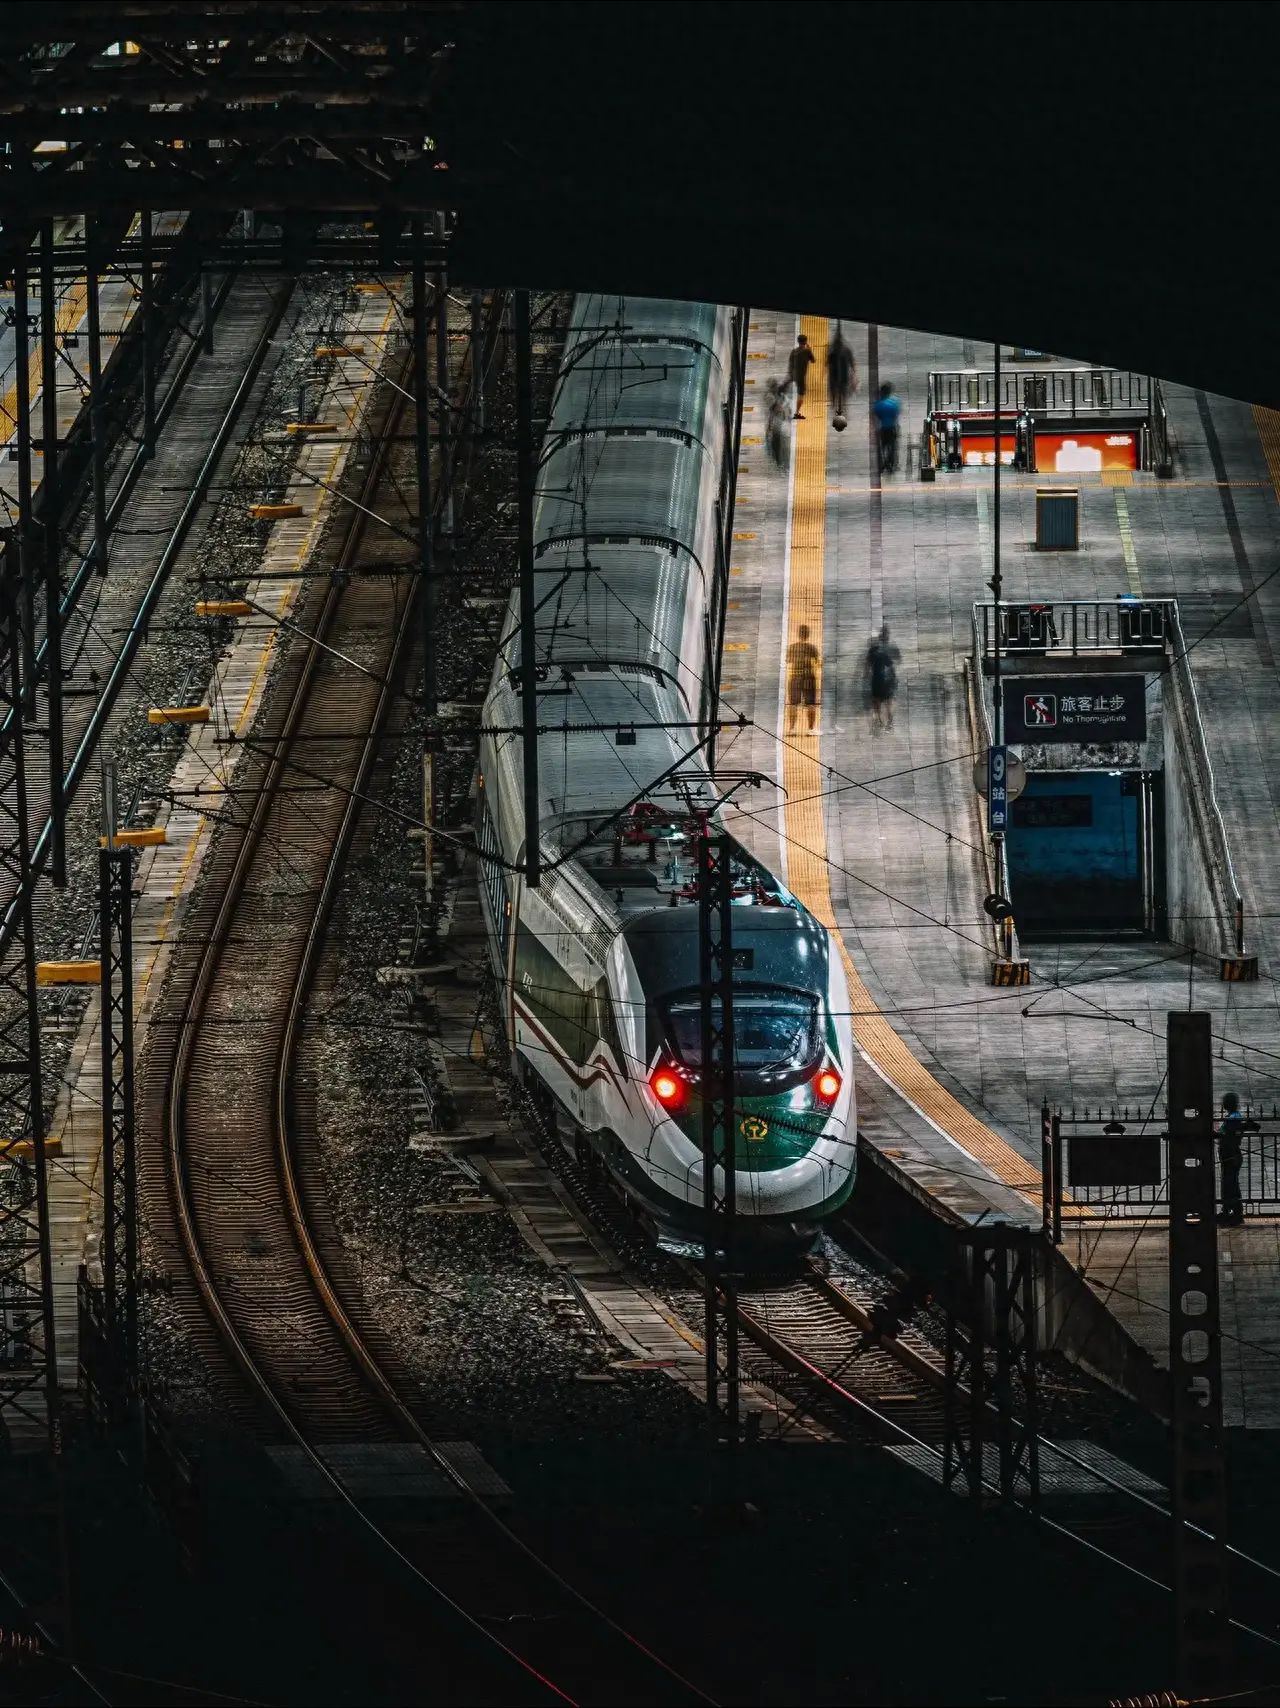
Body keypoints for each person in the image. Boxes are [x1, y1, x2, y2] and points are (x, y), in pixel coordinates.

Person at [865, 623, 901, 731]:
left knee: (879, 702)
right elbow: (896, 662)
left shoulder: (875, 649)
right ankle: (887, 722)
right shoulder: (888, 648)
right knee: (886, 702)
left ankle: (881, 722)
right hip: (885, 680)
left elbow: (867, 665)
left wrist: (866, 675)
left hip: (879, 679)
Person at [1217, 1091, 1245, 1226]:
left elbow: (1228, 1136)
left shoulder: (1233, 1118)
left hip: (1231, 1156)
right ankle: (1230, 1210)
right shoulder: (1233, 1116)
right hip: (1230, 1156)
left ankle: (1233, 1212)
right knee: (1230, 1184)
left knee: (1230, 1184)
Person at [785, 624, 820, 733]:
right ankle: (811, 729)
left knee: (793, 704)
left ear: (798, 634)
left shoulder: (792, 647)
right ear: (808, 635)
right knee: (811, 704)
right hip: (809, 678)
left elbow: (787, 661)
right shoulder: (812, 648)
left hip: (795, 677)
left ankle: (792, 729)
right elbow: (819, 663)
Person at [827, 323, 857, 421]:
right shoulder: (844, 350)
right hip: (839, 377)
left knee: (841, 396)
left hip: (838, 377)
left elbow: (827, 364)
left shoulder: (833, 351)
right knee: (840, 396)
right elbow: (852, 364)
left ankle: (841, 412)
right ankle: (842, 412)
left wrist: (854, 376)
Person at [872, 380, 902, 474]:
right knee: (892, 447)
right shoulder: (895, 403)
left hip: (883, 428)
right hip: (892, 427)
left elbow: (876, 417)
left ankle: (883, 464)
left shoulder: (878, 404)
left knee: (882, 447)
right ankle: (891, 465)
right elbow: (896, 415)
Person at [787, 333, 816, 421]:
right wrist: (810, 349)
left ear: (798, 342)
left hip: (795, 375)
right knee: (801, 395)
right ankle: (797, 413)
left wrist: (791, 375)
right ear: (805, 341)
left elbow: (790, 364)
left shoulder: (793, 351)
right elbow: (813, 360)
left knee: (800, 393)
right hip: (801, 378)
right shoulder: (807, 351)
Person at [765, 377, 789, 470]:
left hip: (778, 425)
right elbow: (773, 410)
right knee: (776, 444)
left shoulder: (777, 395)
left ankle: (780, 462)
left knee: (779, 444)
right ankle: (779, 462)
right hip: (775, 426)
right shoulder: (770, 397)